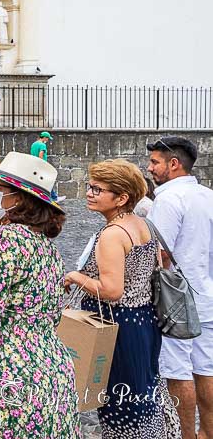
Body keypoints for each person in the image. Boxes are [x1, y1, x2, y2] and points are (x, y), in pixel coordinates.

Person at [0, 152, 79, 436]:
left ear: (18, 199)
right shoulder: (48, 249)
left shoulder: (5, 240)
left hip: (7, 369)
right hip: (52, 369)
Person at [65, 159, 181, 439]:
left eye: (98, 189)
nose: (90, 193)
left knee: (122, 402)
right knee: (144, 393)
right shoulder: (143, 225)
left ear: (122, 198)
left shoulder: (112, 235)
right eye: (90, 187)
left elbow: (112, 290)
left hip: (118, 328)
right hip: (144, 321)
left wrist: (74, 277)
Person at [147, 136, 213, 439]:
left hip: (177, 301)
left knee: (177, 372)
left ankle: (185, 435)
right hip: (207, 295)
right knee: (207, 369)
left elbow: (160, 254)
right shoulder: (208, 195)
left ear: (174, 164)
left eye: (155, 162)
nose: (150, 168)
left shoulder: (168, 199)